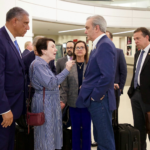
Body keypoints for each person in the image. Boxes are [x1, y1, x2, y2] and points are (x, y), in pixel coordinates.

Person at [76, 15, 117, 150]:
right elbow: (97, 73)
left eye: (87, 28)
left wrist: (95, 95)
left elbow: (107, 76)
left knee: (105, 140)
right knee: (100, 137)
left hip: (100, 101)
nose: (85, 31)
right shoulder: (99, 44)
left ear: (97, 28)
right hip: (98, 100)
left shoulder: (104, 44)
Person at [29, 38, 74, 150]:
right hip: (45, 104)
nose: (56, 50)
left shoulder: (44, 64)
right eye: (52, 47)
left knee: (51, 134)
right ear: (43, 50)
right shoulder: (38, 64)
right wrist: (66, 69)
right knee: (45, 136)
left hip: (50, 103)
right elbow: (51, 83)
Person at [0, 7, 29, 150]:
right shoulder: (1, 40)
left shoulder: (12, 41)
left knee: (10, 143)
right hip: (4, 110)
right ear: (15, 21)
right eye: (25, 23)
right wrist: (4, 109)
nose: (28, 27)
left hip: (13, 107)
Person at [60, 40, 91, 150]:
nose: (79, 49)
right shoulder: (69, 65)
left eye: (82, 47)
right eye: (77, 47)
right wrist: (62, 100)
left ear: (86, 50)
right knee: (75, 130)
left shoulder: (90, 66)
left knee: (87, 130)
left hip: (88, 104)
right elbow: (64, 86)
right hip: (73, 104)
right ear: (74, 50)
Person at [128, 27, 150, 150]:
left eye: (138, 38)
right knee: (139, 128)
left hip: (148, 98)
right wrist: (131, 91)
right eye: (134, 38)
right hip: (136, 95)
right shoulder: (137, 53)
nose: (135, 41)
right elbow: (137, 72)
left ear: (147, 37)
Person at [106, 31, 127, 107]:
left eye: (106, 38)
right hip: (100, 89)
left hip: (114, 89)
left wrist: (120, 87)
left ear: (111, 39)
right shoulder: (96, 52)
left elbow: (123, 71)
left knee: (114, 114)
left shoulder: (119, 52)